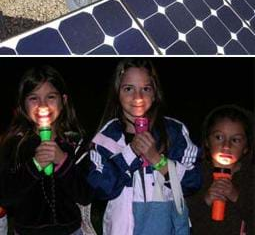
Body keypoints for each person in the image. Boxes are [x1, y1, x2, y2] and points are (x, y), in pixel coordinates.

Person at [86, 58, 201, 235]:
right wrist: (130, 153)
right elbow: (101, 189)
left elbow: (193, 181)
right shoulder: (106, 137)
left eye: (145, 89)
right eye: (128, 89)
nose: (137, 97)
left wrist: (157, 159)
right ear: (117, 93)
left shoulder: (174, 131)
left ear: (155, 93)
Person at [0, 65, 93, 235]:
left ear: (63, 101)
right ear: (22, 104)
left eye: (51, 97)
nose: (43, 105)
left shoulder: (75, 143)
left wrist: (63, 162)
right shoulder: (15, 145)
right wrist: (34, 166)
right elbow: (6, 196)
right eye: (33, 98)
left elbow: (85, 195)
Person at [186, 104, 254, 235]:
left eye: (235, 140)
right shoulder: (193, 174)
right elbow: (181, 217)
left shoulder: (250, 178)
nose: (226, 146)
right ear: (207, 141)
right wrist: (205, 200)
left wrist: (236, 196)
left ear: (246, 147)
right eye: (219, 137)